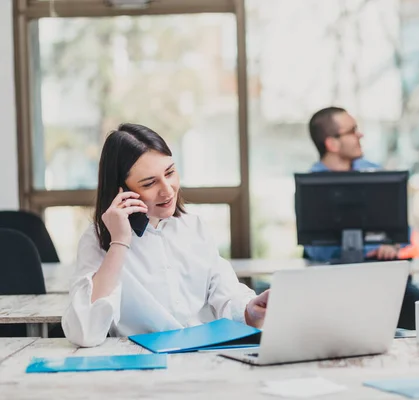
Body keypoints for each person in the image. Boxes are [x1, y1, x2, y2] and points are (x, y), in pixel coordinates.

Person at [62, 123, 269, 347]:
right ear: (121, 191)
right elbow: (85, 333)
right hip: (139, 363)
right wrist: (119, 242)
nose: (168, 190)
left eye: (170, 172)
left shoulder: (194, 227)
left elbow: (226, 295)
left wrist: (252, 309)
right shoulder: (97, 240)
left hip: (203, 358)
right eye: (150, 183)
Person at [305, 106, 419, 329]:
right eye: (352, 131)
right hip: (334, 281)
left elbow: (403, 230)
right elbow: (316, 248)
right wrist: (367, 249)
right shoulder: (312, 186)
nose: (360, 135)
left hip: (382, 275)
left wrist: (392, 244)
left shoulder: (376, 173)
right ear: (331, 143)